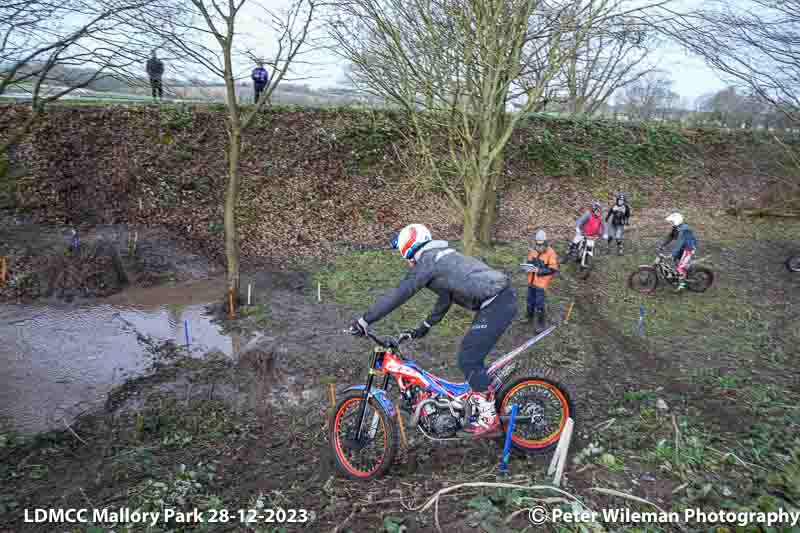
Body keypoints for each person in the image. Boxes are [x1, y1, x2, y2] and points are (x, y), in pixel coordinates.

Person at [349, 223, 517, 438]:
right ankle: (484, 395)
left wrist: (364, 320)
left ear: (408, 248)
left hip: (497, 301)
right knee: (471, 355)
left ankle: (488, 418)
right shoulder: (440, 256)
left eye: (403, 255)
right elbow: (446, 296)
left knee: (468, 357)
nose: (407, 263)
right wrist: (425, 327)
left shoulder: (428, 261)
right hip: (499, 299)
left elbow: (400, 293)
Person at [524, 229, 559, 334]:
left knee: (539, 304)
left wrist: (539, 270)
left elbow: (552, 269)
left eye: (541, 244)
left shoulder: (551, 253)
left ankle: (541, 324)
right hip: (531, 280)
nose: (539, 247)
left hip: (541, 283)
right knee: (530, 300)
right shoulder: (533, 250)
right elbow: (529, 261)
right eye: (537, 244)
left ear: (545, 242)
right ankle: (529, 318)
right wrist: (527, 266)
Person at [659, 212, 697, 291]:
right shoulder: (676, 228)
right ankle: (682, 273)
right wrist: (662, 245)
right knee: (676, 260)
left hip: (688, 249)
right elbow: (670, 236)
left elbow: (679, 244)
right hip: (683, 248)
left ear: (676, 221)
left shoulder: (683, 230)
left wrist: (673, 254)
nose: (670, 224)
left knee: (680, 267)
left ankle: (682, 284)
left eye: (671, 222)